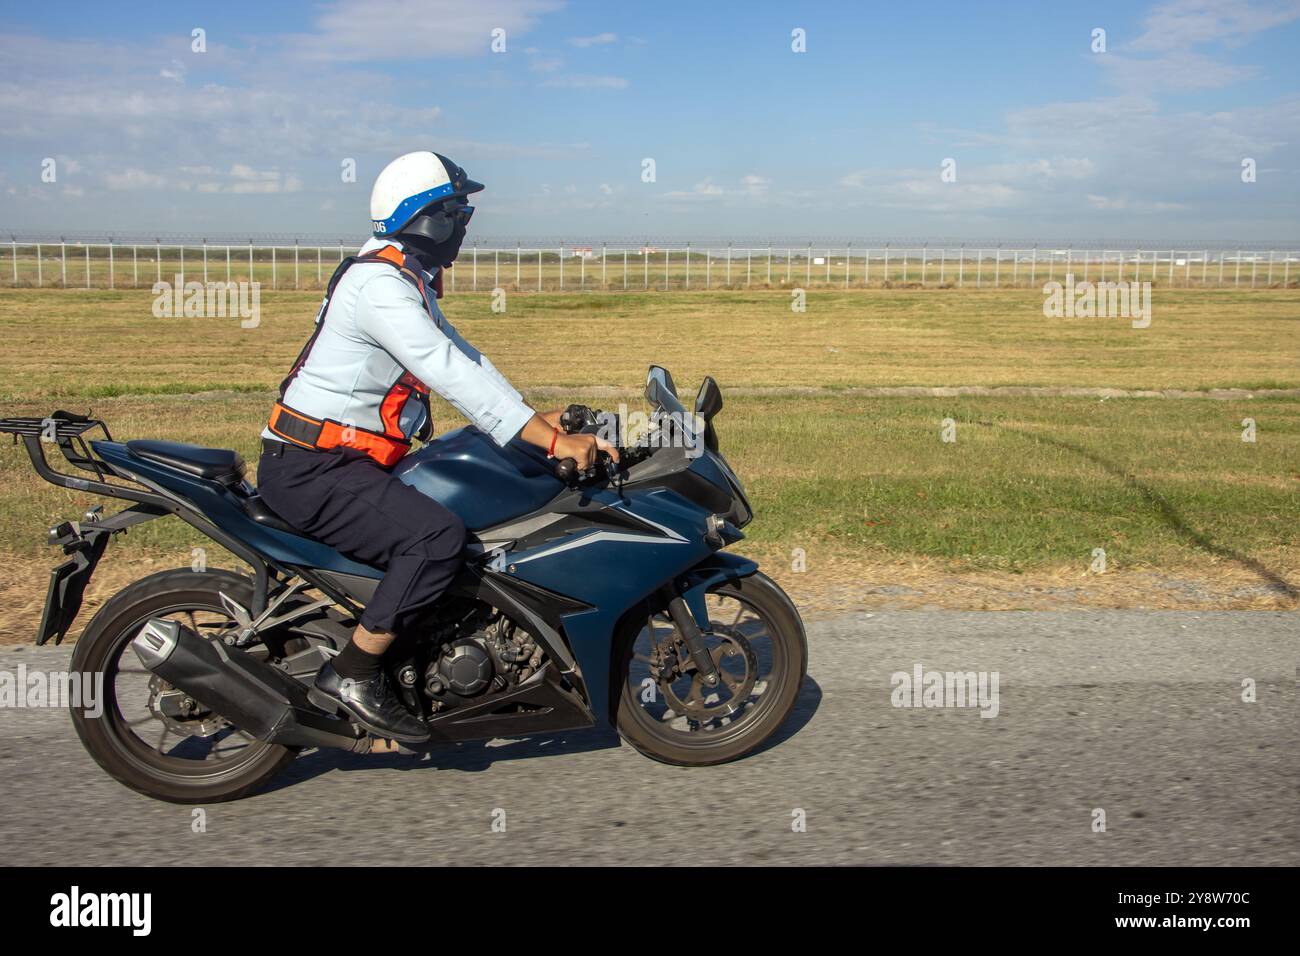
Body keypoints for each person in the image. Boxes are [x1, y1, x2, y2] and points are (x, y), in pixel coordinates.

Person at [255, 150, 616, 742]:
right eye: (460, 211)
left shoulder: (401, 279)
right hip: (313, 469)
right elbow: (447, 370)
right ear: (431, 217)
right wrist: (547, 438)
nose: (467, 224)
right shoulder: (378, 286)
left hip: (339, 461)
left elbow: (471, 360)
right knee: (436, 538)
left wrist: (537, 421)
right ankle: (353, 672)